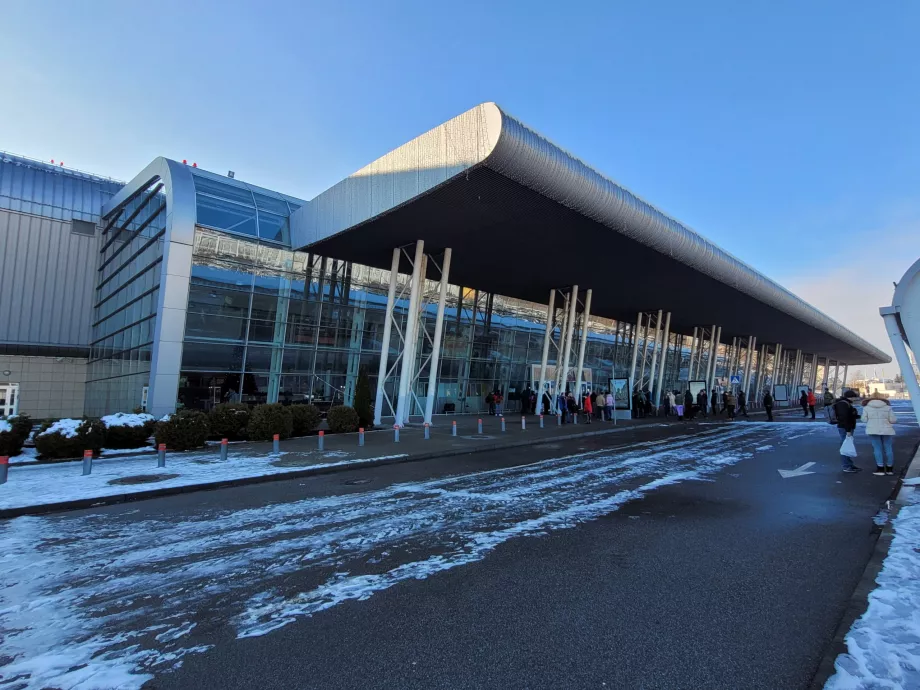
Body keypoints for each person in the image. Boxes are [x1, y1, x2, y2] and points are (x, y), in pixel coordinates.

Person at [859, 393, 898, 475]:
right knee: (888, 448)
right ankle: (889, 469)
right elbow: (893, 420)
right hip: (887, 430)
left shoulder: (866, 408)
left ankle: (880, 469)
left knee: (877, 449)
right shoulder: (888, 408)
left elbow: (864, 420)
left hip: (873, 430)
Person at [833, 390, 862, 473]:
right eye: (854, 397)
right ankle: (846, 466)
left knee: (847, 445)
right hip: (845, 428)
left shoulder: (844, 403)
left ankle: (849, 464)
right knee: (845, 447)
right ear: (850, 397)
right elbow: (844, 418)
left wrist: (855, 415)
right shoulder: (843, 404)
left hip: (846, 427)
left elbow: (848, 416)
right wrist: (848, 430)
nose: (854, 399)